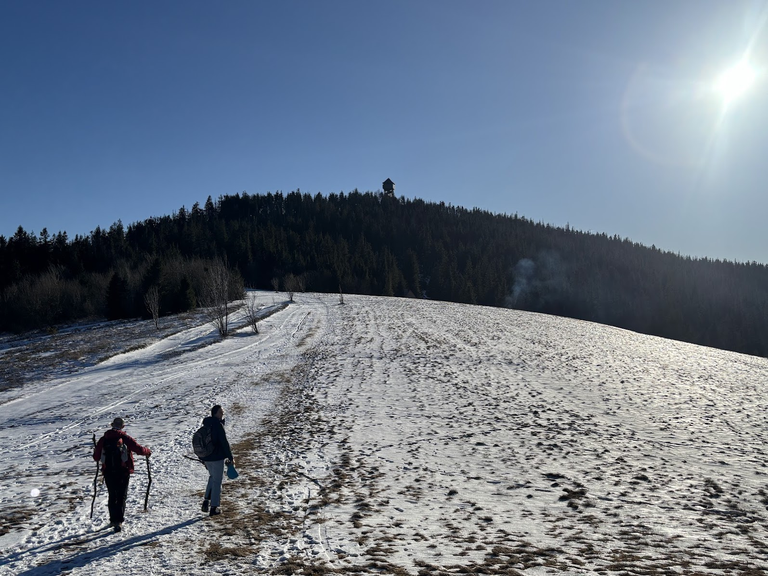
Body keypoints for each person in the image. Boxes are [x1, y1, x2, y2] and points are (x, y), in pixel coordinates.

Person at [93, 417, 152, 532]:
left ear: (112, 425)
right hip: (122, 471)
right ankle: (118, 522)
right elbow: (139, 449)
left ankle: (112, 519)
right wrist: (148, 451)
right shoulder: (124, 437)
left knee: (112, 495)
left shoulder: (103, 439)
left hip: (108, 471)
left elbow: (96, 457)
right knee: (121, 495)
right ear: (122, 426)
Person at [200, 404, 234, 516]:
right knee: (217, 481)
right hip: (217, 457)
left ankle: (206, 500)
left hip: (207, 457)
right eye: (220, 412)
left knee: (212, 477)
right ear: (215, 413)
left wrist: (202, 458)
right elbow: (224, 442)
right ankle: (214, 507)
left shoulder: (206, 424)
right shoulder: (218, 425)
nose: (222, 414)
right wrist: (230, 457)